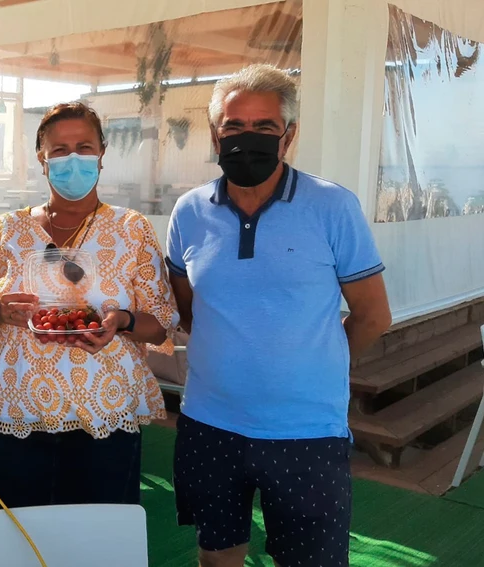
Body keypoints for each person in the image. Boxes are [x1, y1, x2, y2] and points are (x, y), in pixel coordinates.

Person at [165, 64, 393, 567]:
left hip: (307, 430)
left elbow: (373, 315)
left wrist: (316, 363)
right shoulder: (189, 211)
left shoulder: (333, 206)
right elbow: (188, 308)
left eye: (265, 127)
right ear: (214, 134)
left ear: (288, 136)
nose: (248, 138)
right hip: (209, 424)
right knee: (216, 554)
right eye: (234, 127)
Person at [0, 102, 178, 510]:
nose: (73, 159)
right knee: (20, 532)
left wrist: (122, 321)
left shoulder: (131, 229)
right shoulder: (6, 229)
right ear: (41, 158)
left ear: (101, 155)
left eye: (84, 147)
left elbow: (161, 323)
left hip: (104, 410)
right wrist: (1, 311)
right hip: (17, 408)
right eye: (59, 150)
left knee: (98, 535)